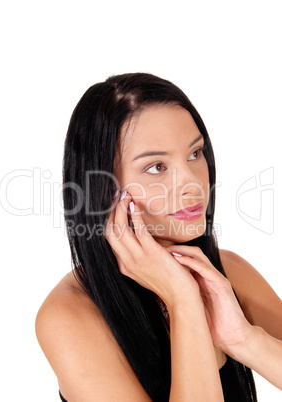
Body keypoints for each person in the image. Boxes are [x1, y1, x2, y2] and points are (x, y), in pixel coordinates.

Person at [35, 73, 282, 401]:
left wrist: (244, 340)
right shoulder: (69, 316)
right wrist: (183, 299)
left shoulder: (228, 273)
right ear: (104, 188)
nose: (192, 183)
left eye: (195, 153)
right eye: (156, 167)